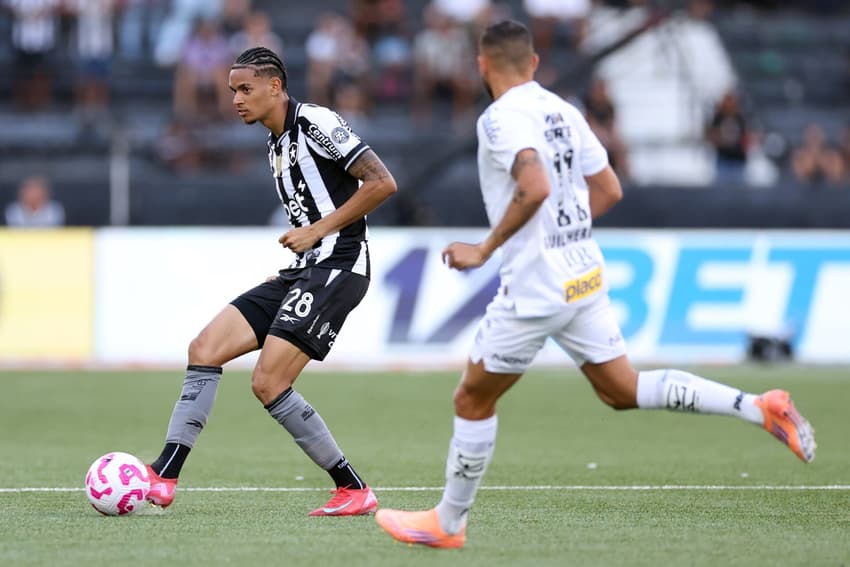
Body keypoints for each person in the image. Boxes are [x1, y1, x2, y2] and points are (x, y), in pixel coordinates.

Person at [375, 20, 816, 549]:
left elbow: (534, 185)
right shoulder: (564, 110)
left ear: (482, 65)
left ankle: (447, 524)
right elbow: (607, 188)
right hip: (582, 275)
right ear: (534, 63)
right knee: (621, 389)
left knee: (472, 399)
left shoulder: (499, 120)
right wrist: (566, 234)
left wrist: (485, 249)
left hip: (536, 290)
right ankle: (759, 405)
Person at [144, 47, 398, 517]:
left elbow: (382, 182)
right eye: (232, 92)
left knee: (268, 381)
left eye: (245, 89)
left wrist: (319, 232)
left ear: (275, 86)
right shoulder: (275, 142)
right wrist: (301, 258)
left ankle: (353, 488)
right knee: (204, 349)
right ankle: (164, 474)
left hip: (339, 266)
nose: (236, 100)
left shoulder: (315, 121)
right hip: (305, 271)